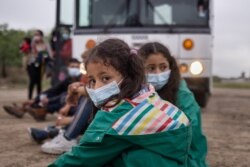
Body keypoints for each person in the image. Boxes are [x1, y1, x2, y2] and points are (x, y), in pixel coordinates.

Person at [48, 39, 191, 167]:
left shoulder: (118, 117)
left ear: (128, 76)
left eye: (105, 78)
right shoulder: (144, 94)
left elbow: (82, 157)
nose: (97, 87)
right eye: (92, 80)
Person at [138, 42, 209, 167]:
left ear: (170, 67)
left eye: (163, 67)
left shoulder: (183, 96)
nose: (158, 73)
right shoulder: (134, 93)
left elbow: (187, 138)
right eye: (151, 68)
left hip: (184, 156)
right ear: (139, 69)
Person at [3, 58, 82, 121]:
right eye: (72, 67)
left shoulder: (82, 80)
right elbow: (53, 90)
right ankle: (29, 108)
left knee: (61, 98)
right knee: (48, 96)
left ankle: (34, 110)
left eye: (76, 67)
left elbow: (68, 95)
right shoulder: (68, 80)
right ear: (68, 67)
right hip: (63, 102)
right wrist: (36, 98)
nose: (74, 69)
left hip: (73, 105)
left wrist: (49, 100)